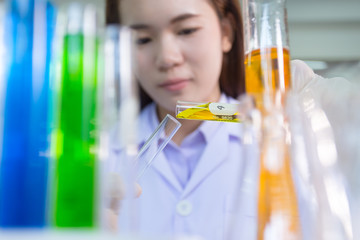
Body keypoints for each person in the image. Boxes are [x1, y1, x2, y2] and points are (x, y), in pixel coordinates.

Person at [104, 0, 351, 239]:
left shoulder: (293, 139)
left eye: (187, 30)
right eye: (143, 39)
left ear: (226, 32)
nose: (167, 58)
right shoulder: (99, 159)